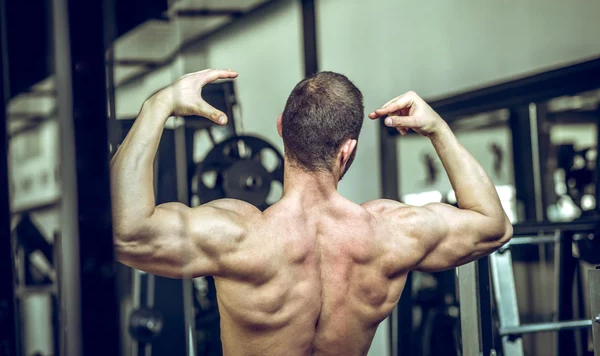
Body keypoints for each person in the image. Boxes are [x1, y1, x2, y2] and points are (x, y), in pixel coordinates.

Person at [110, 69, 512, 356]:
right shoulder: (390, 233)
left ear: (283, 127)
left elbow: (127, 233)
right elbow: (493, 226)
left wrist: (157, 106)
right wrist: (437, 129)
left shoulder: (241, 235)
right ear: (347, 150)